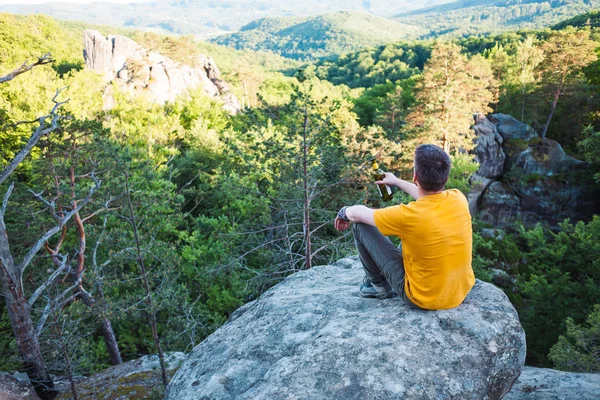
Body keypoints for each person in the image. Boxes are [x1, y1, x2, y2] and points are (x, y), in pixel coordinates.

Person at [334, 144, 475, 311]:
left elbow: (357, 215)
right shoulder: (458, 198)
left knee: (361, 226)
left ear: (415, 176)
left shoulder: (409, 216)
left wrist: (344, 212)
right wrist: (396, 182)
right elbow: (426, 197)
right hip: (458, 293)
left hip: (422, 299)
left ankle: (378, 285)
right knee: (414, 239)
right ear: (444, 177)